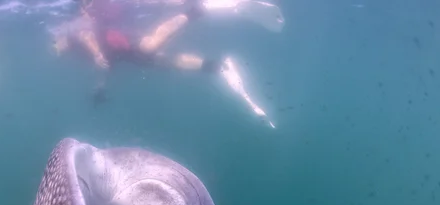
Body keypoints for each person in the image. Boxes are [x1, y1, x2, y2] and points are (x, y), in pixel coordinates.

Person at [53, 0, 276, 128]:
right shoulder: (75, 41)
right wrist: (100, 85)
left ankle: (199, 10)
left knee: (149, 48)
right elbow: (103, 62)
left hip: (116, 43)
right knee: (162, 63)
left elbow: (87, 39)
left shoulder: (73, 33)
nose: (56, 50)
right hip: (117, 53)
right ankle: (216, 66)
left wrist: (96, 56)